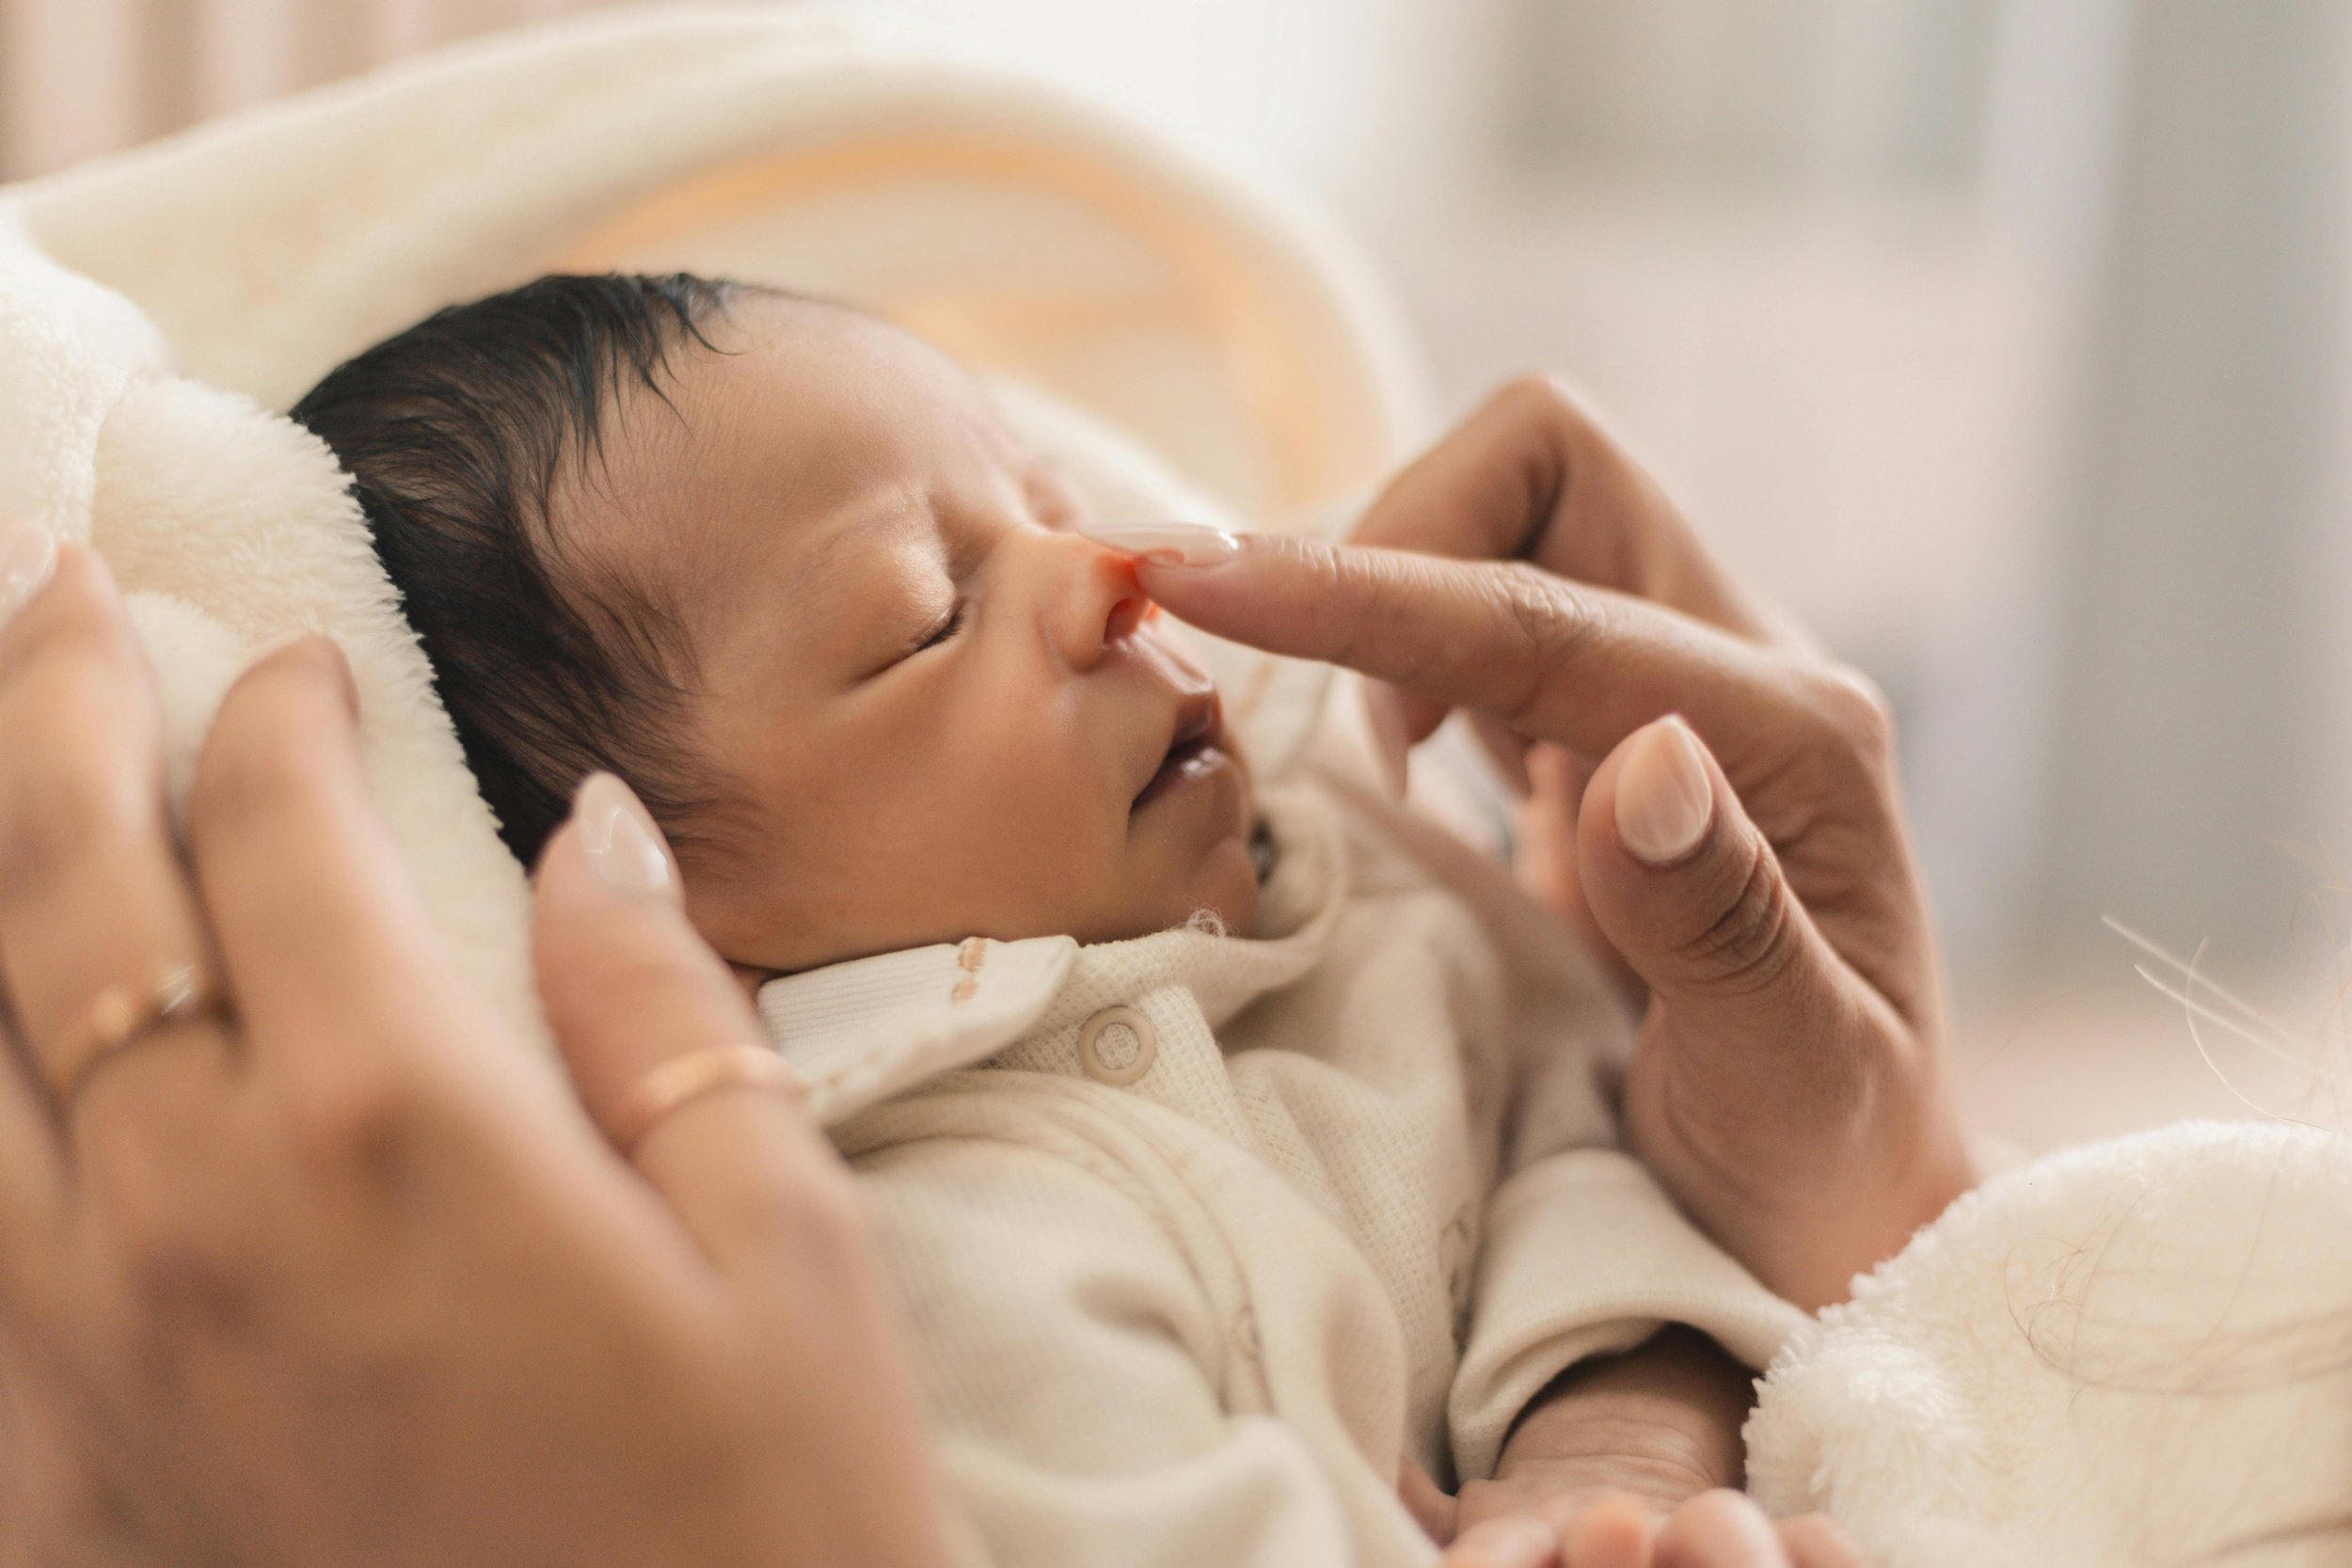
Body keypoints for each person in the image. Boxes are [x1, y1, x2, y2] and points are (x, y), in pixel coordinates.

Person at [0, 340, 1947, 1564]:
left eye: (1047, 502)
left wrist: (1602, 1425)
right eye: (927, 614)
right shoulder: (920, 1214)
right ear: (675, 910)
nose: (1102, 573)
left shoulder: (1354, 879)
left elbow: (1595, 1133)